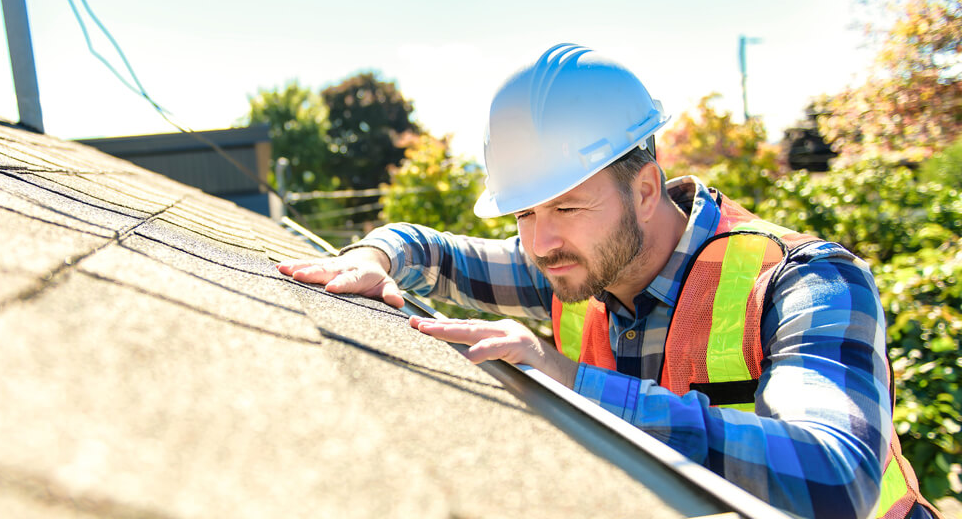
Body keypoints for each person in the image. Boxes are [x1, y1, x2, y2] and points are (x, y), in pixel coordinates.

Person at [278, 44, 941, 519]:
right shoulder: (573, 263)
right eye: (524, 213)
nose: (539, 242)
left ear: (645, 188)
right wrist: (373, 256)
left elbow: (837, 479)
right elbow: (429, 248)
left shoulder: (807, 283)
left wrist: (570, 385)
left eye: (565, 206)